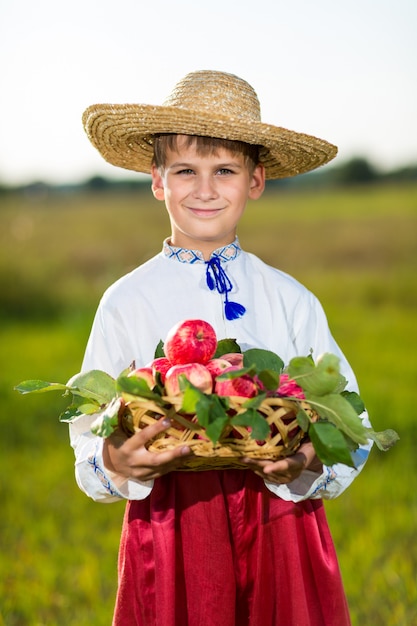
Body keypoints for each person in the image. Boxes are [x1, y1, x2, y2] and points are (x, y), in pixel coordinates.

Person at [72, 70, 372, 626]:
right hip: (174, 520)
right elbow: (90, 430)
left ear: (255, 181)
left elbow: (352, 418)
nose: (205, 189)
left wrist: (306, 458)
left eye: (225, 171)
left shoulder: (289, 297)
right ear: (157, 181)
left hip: (278, 517)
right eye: (186, 170)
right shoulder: (127, 300)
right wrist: (115, 458)